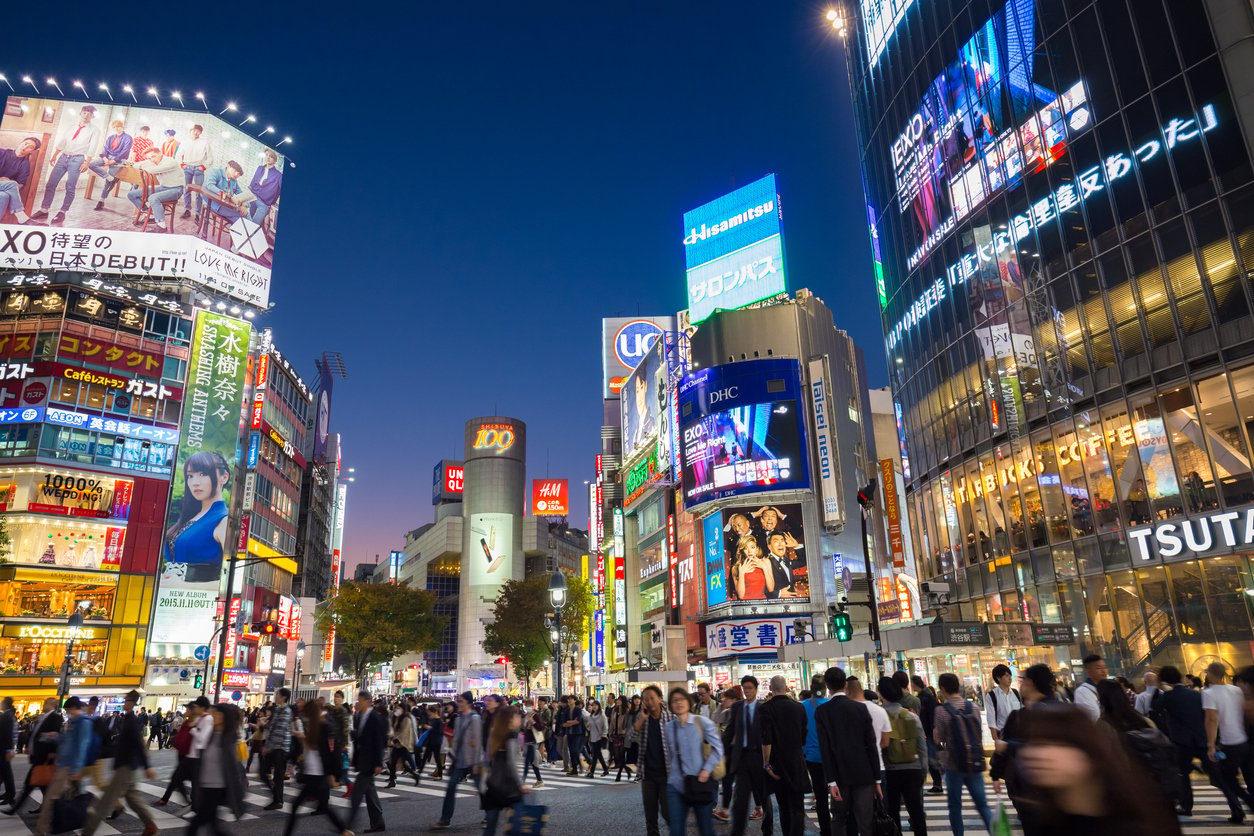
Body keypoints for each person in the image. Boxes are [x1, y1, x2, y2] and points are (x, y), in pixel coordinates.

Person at [1017, 705, 1182, 836]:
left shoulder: (1133, 820)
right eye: (1035, 743)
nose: (1038, 754)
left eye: (1058, 744)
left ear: (1088, 751)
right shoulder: (1045, 819)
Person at [81, 690, 157, 836]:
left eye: (128, 701)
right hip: (126, 765)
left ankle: (87, 833)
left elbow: (138, 745)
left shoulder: (132, 721)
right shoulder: (127, 719)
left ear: (134, 704)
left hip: (126, 767)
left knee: (105, 803)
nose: (125, 703)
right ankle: (150, 825)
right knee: (133, 798)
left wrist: (147, 766)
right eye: (125, 700)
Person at [815, 667, 879, 836]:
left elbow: (825, 748)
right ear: (845, 685)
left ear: (828, 686)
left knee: (839, 818)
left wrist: (831, 782)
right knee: (865, 821)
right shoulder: (860, 708)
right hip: (863, 772)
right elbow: (871, 745)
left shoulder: (822, 711)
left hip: (838, 773)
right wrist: (877, 778)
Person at [933, 673, 993, 836]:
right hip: (973, 760)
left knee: (955, 806)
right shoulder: (972, 707)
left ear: (942, 689)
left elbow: (939, 738)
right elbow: (978, 733)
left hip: (953, 764)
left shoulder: (941, 710)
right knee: (982, 805)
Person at [284, 700, 352, 836]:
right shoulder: (315, 726)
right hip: (313, 773)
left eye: (306, 712)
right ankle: (343, 831)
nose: (304, 715)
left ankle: (343, 830)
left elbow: (333, 752)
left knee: (298, 806)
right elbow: (313, 745)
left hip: (318, 773)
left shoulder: (325, 726)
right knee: (323, 807)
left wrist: (334, 775)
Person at [163, 451, 231, 583]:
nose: (195, 482)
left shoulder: (224, 520)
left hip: (199, 599)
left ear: (224, 477)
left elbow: (230, 581)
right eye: (190, 476)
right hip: (168, 596)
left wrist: (184, 584)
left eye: (203, 474)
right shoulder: (189, 518)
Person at [665, 687, 723, 836]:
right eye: (674, 701)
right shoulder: (669, 728)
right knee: (676, 830)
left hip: (700, 782)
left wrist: (707, 769)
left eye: (681, 699)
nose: (678, 703)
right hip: (676, 785)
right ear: (670, 705)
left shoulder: (702, 723)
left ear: (689, 701)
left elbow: (718, 748)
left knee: (706, 829)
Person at [30, 104, 101, 224]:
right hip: (63, 157)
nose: (86, 115)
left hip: (77, 160)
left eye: (89, 114)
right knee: (51, 184)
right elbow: (63, 141)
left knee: (70, 187)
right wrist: (54, 155)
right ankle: (44, 210)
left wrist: (87, 162)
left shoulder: (94, 130)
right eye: (84, 112)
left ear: (93, 116)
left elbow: (93, 147)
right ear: (80, 113)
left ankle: (62, 212)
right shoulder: (72, 127)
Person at [32, 696, 92, 836]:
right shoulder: (73, 722)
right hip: (65, 766)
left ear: (72, 708)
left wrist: (76, 769)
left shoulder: (83, 723)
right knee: (70, 798)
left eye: (68, 710)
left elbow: (82, 746)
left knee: (50, 800)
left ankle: (40, 831)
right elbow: (66, 741)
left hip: (68, 768)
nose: (67, 712)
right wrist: (51, 737)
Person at [1203, 661, 1254, 823]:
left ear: (1210, 674)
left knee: (1226, 777)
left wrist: (1211, 745)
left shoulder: (1209, 693)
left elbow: (1211, 719)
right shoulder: (1236, 690)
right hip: (1244, 742)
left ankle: (1249, 804)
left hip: (1231, 743)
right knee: (1248, 779)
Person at [186, 703, 246, 836]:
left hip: (217, 787)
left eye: (217, 713)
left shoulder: (228, 739)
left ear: (225, 717)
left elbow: (233, 769)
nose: (213, 715)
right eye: (213, 712)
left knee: (195, 824)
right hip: (206, 785)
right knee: (214, 828)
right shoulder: (212, 734)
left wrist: (238, 793)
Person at [760, 676, 808, 836]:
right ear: (786, 687)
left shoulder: (766, 708)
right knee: (797, 805)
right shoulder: (798, 707)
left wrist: (766, 762)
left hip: (777, 762)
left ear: (771, 688)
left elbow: (766, 738)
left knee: (784, 805)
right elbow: (803, 735)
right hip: (796, 761)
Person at [880, 676, 927, 836]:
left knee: (892, 811)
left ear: (881, 694)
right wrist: (923, 770)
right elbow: (922, 747)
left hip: (890, 770)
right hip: (913, 768)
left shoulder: (880, 716)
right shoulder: (911, 716)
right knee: (916, 811)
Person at [725, 675, 770, 836]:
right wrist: (724, 753)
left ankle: (768, 830)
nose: (747, 692)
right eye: (745, 689)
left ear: (756, 690)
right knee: (741, 799)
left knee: (764, 797)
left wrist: (769, 760)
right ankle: (737, 831)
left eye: (750, 688)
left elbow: (768, 734)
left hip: (759, 757)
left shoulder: (763, 708)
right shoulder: (737, 707)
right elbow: (730, 730)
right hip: (742, 757)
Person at [430, 691, 482, 830]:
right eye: (458, 701)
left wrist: (477, 763)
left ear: (469, 703)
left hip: (473, 761)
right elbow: (456, 739)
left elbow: (477, 741)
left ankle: (491, 814)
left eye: (461, 702)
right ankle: (445, 819)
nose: (459, 704)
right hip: (459, 760)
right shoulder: (458, 719)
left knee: (481, 789)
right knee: (451, 788)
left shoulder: (475, 718)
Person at [3, 697, 62, 815]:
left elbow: (54, 736)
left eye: (46, 703)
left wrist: (50, 750)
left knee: (30, 784)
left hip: (44, 756)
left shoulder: (56, 718)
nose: (44, 705)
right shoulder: (43, 717)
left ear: (51, 704)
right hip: (38, 755)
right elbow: (36, 734)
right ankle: (49, 809)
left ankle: (15, 809)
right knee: (42, 785)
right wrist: (30, 746)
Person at [481, 706, 529, 836]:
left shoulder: (494, 734)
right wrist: (521, 785)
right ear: (510, 719)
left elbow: (487, 760)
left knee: (490, 827)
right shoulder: (512, 736)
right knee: (518, 823)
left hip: (493, 786)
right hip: (510, 787)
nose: (520, 719)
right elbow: (511, 763)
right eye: (518, 717)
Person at [634, 685, 673, 836]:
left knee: (668, 812)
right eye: (646, 699)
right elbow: (630, 739)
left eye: (652, 698)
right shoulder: (642, 718)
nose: (649, 702)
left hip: (666, 773)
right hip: (648, 774)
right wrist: (641, 720)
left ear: (659, 698)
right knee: (650, 815)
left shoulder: (670, 717)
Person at [155, 698, 207, 808]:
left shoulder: (198, 722)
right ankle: (190, 802)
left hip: (189, 756)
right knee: (179, 779)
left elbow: (199, 739)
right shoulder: (187, 721)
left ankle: (191, 802)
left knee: (179, 778)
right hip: (183, 754)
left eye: (188, 709)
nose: (185, 711)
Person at [350, 690, 388, 833]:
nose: (357, 703)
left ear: (367, 701)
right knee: (370, 792)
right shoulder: (359, 716)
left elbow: (379, 741)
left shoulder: (375, 717)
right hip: (363, 759)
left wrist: (379, 763)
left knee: (356, 794)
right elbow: (360, 736)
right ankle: (378, 822)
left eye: (359, 700)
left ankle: (346, 825)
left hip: (370, 761)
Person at [125, 146, 186, 230]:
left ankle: (162, 226)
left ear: (160, 153)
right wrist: (146, 163)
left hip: (176, 189)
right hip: (163, 187)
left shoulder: (171, 161)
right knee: (132, 194)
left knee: (153, 198)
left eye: (153, 156)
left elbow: (154, 170)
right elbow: (136, 165)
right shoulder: (154, 161)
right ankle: (150, 214)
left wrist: (144, 166)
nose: (152, 160)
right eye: (149, 158)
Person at [801, 676, 831, 836]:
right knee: (838, 792)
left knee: (820, 796)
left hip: (812, 756)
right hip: (831, 757)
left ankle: (825, 830)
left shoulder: (803, 706)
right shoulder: (831, 704)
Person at [848, 676, 891, 777]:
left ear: (847, 691)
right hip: (878, 764)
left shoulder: (846, 712)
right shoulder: (881, 711)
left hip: (855, 767)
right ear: (862, 691)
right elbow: (885, 742)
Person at [88, 120, 133, 206]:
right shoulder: (110, 137)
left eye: (118, 127)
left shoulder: (128, 137)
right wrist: (105, 158)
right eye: (115, 127)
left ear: (122, 127)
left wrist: (114, 160)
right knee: (91, 164)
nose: (117, 129)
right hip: (107, 157)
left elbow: (125, 151)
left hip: (119, 159)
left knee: (107, 181)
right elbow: (105, 149)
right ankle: (110, 178)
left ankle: (101, 200)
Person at [263, 688, 294, 810]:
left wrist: (268, 747)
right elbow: (272, 728)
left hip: (280, 747)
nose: (275, 696)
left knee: (278, 775)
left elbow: (280, 731)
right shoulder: (278, 709)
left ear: (283, 697)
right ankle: (276, 796)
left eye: (277, 694)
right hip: (274, 746)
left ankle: (278, 800)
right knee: (265, 772)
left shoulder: (286, 711)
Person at [0, 137, 40, 225]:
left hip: (3, 189)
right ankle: (21, 217)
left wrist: (8, 183)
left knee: (4, 196)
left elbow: (20, 185)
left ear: (31, 151)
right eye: (26, 143)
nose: (26, 147)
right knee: (12, 184)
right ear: (21, 143)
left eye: (30, 147)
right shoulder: (1, 152)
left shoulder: (24, 164)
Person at [178, 124, 214, 222]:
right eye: (194, 130)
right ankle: (187, 210)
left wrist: (203, 167)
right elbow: (178, 154)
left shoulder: (205, 142)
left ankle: (198, 214)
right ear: (190, 131)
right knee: (187, 190)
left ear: (200, 132)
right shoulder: (185, 142)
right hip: (187, 168)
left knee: (199, 192)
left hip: (199, 169)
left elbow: (210, 157)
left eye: (198, 131)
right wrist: (182, 165)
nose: (195, 132)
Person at [385, 701, 418, 788]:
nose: (396, 709)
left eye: (399, 708)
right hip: (397, 745)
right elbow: (395, 730)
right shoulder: (398, 718)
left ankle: (414, 775)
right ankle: (393, 780)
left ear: (403, 709)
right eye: (396, 708)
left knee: (401, 763)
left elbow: (404, 733)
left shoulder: (407, 719)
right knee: (395, 763)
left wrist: (395, 741)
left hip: (403, 745)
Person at [731, 536, 774, 600]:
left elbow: (771, 589)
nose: (749, 551)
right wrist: (741, 573)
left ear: (756, 549)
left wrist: (764, 568)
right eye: (745, 548)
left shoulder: (766, 562)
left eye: (752, 547)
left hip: (762, 602)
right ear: (742, 551)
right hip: (746, 604)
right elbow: (741, 596)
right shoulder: (736, 568)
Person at [248, 149, 282, 225]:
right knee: (247, 220)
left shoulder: (279, 175)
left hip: (264, 204)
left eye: (271, 156)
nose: (268, 158)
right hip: (253, 198)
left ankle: (249, 235)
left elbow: (280, 192)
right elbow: (252, 183)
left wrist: (271, 203)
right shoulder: (260, 168)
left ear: (275, 160)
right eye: (267, 155)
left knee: (253, 225)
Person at [1074, 654, 1105, 721]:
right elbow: (1093, 715)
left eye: (1104, 667)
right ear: (1088, 671)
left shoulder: (1107, 688)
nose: (1103, 671)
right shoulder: (1082, 691)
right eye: (1098, 668)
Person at [521, 703, 544, 787]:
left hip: (533, 741)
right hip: (528, 741)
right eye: (526, 706)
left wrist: (533, 722)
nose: (528, 707)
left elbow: (540, 727)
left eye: (529, 705)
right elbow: (524, 728)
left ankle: (522, 780)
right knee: (532, 762)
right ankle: (539, 780)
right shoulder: (525, 716)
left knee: (527, 762)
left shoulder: (535, 716)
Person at [562, 695, 586, 776]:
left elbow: (578, 721)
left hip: (577, 733)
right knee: (571, 751)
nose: (570, 701)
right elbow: (564, 723)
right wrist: (572, 722)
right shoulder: (566, 710)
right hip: (569, 733)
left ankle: (578, 766)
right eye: (569, 699)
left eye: (571, 699)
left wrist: (569, 722)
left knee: (575, 750)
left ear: (575, 701)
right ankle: (575, 769)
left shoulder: (578, 710)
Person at [585, 700, 609, 777]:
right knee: (599, 755)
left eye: (596, 705)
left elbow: (605, 727)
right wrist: (588, 726)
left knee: (595, 755)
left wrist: (604, 735)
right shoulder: (590, 716)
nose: (594, 707)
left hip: (600, 737)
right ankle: (605, 770)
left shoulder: (602, 715)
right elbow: (589, 728)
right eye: (593, 705)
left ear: (599, 706)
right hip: (593, 737)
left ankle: (592, 772)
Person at [0, 696, 15, 806]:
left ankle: (10, 795)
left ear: (5, 704)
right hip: (4, 748)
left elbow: (8, 734)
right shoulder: (7, 715)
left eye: (2, 703)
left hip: (4, 749)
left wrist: (9, 750)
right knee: (4, 772)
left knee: (6, 773)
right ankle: (9, 794)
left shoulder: (7, 716)